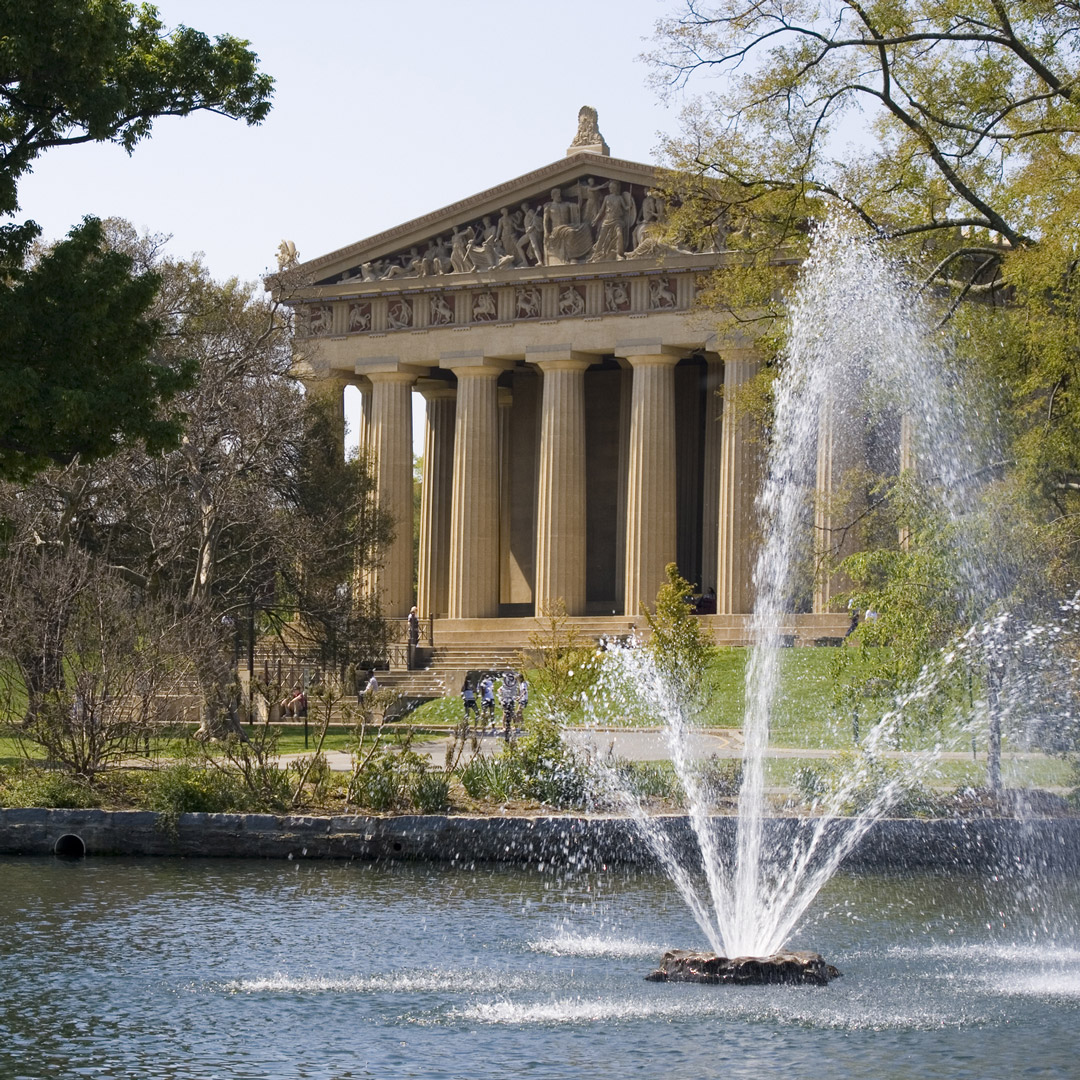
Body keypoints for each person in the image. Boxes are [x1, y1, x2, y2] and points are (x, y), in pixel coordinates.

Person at [499, 671, 518, 741]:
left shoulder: (508, 684)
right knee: (508, 714)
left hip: (507, 701)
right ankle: (507, 729)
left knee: (510, 714)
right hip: (507, 701)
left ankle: (508, 729)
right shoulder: (512, 683)